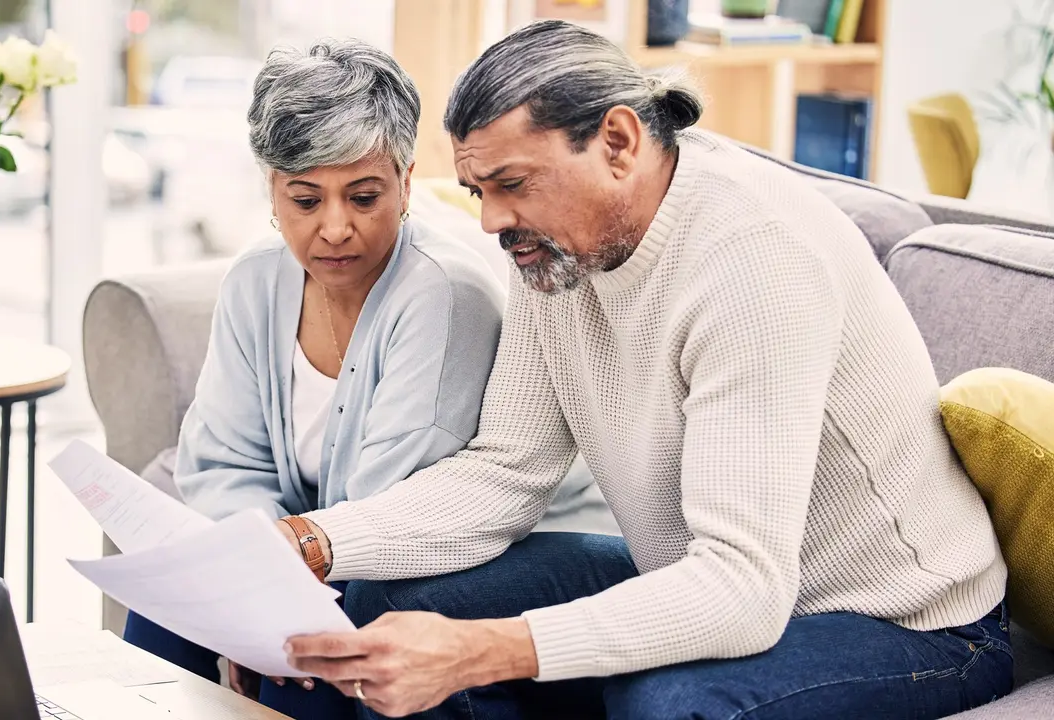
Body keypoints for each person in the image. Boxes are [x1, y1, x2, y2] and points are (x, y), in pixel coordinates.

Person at [273, 20, 1014, 720]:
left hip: (909, 624)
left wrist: (483, 652)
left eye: (514, 183)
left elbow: (745, 586)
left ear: (619, 141)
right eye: (479, 191)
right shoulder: (557, 252)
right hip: (693, 575)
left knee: (664, 705)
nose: (490, 222)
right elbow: (506, 469)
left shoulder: (754, 260)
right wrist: (313, 542)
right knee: (380, 604)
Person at [120, 36, 616, 719]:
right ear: (270, 188)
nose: (334, 229)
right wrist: (245, 585)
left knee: (324, 640)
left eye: (363, 196)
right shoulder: (255, 281)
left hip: (473, 552)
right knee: (171, 608)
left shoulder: (444, 295)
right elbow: (222, 461)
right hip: (325, 551)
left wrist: (267, 591)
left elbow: (393, 507)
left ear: (406, 183)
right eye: (304, 199)